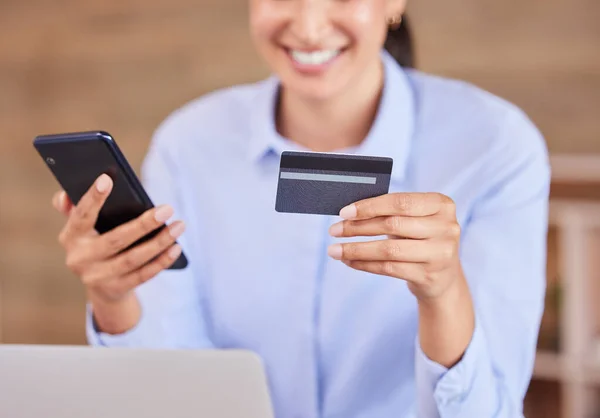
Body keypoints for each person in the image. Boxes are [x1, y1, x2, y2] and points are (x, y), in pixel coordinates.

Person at [51, 0, 550, 417]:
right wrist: (113, 298)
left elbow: (490, 409)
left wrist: (443, 294)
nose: (309, 27)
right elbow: (166, 389)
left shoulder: (495, 146)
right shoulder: (189, 145)